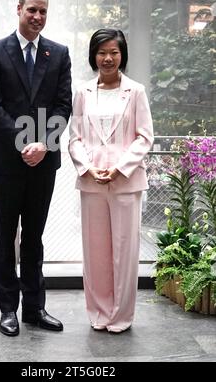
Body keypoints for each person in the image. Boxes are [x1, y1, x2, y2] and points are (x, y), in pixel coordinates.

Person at [0, 0, 72, 336]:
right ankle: (8, 311)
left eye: (43, 11)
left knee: (35, 238)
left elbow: (64, 105)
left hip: (43, 162)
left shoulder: (59, 53)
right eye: (32, 9)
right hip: (6, 161)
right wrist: (24, 143)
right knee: (5, 237)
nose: (37, 16)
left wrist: (43, 145)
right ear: (19, 9)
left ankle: (35, 308)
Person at [68, 28, 153, 333]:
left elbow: (145, 137)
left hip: (126, 182)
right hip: (91, 183)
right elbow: (74, 138)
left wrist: (120, 167)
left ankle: (121, 316)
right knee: (96, 252)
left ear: (122, 56)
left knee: (125, 250)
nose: (107, 58)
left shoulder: (136, 91)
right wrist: (86, 168)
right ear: (93, 55)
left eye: (114, 52)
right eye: (102, 52)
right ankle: (99, 313)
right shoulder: (83, 93)